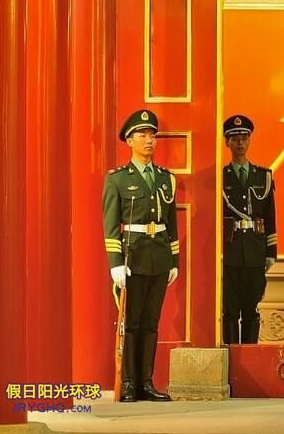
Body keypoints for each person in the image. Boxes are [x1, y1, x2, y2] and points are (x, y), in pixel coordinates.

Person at [103, 109, 179, 402]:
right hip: (132, 256)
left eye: (152, 135)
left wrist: (174, 260)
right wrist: (115, 264)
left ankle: (146, 382)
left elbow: (171, 222)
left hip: (159, 255)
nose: (149, 140)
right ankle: (129, 383)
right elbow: (111, 224)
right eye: (142, 135)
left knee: (150, 323)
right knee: (132, 323)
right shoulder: (117, 180)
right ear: (129, 140)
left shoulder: (166, 178)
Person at [222, 114, 278, 344]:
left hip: (255, 251)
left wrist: (271, 252)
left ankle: (249, 356)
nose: (240, 143)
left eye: (244, 138)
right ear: (227, 142)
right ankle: (231, 356)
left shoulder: (263, 176)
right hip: (230, 250)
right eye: (235, 138)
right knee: (229, 310)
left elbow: (270, 216)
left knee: (251, 310)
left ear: (249, 140)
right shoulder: (221, 176)